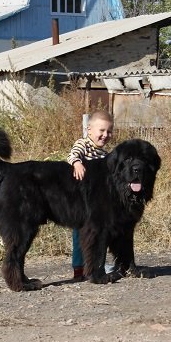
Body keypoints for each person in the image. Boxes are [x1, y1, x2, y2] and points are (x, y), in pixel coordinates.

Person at [67, 111, 114, 278]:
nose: (105, 135)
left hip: (95, 203)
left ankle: (94, 264)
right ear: (89, 130)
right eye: (101, 130)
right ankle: (79, 268)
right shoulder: (83, 144)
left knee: (98, 234)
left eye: (109, 131)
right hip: (80, 202)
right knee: (79, 235)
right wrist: (77, 163)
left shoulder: (105, 154)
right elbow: (73, 154)